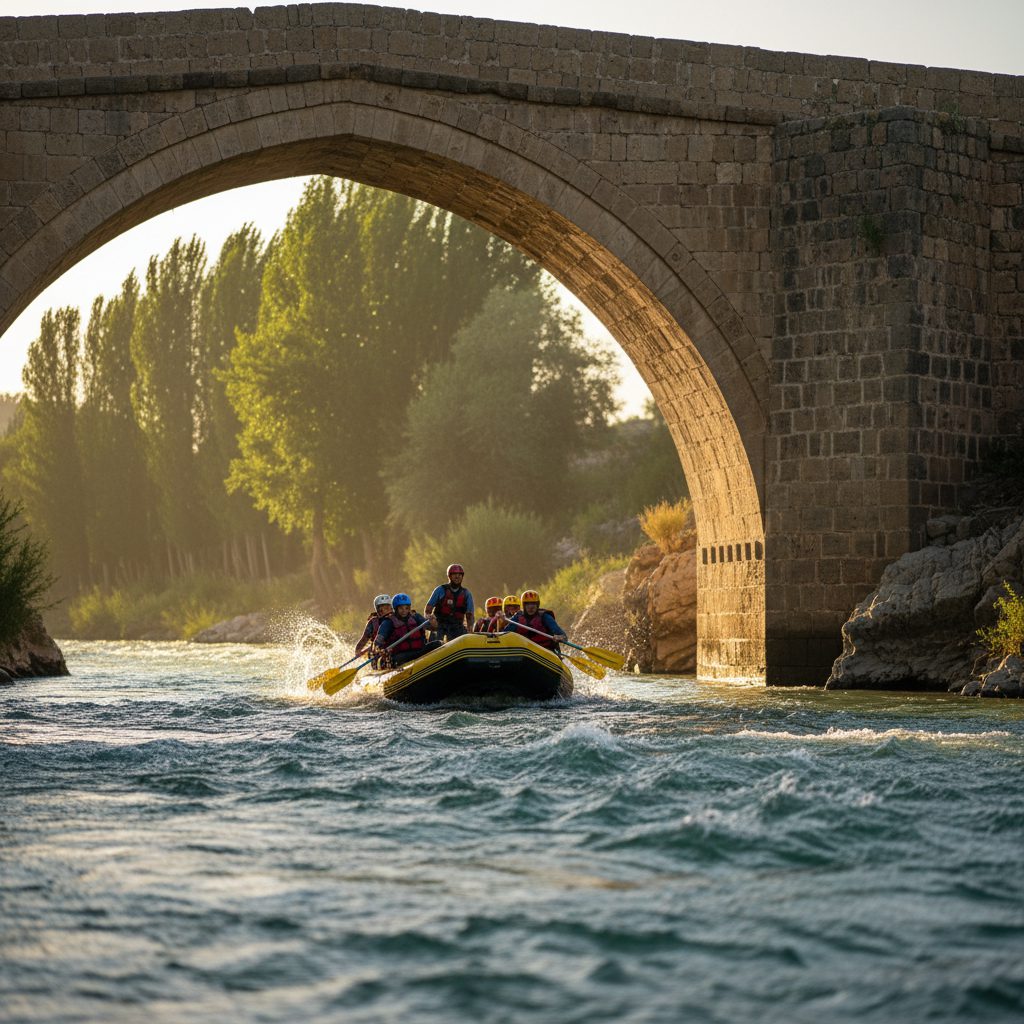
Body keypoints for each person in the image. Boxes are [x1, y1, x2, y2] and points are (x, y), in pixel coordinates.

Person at [374, 593, 439, 668]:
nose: (404, 611)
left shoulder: (416, 617)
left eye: (407, 608)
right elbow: (378, 642)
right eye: (401, 608)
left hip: (419, 650)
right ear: (395, 609)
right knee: (398, 660)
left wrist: (433, 622)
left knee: (437, 644)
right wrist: (380, 650)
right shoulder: (388, 622)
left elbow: (434, 628)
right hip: (402, 655)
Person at [424, 563, 475, 642]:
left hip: (457, 626)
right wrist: (429, 617)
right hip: (439, 625)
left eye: (459, 574)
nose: (457, 577)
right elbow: (428, 609)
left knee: (464, 638)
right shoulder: (440, 590)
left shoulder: (466, 594)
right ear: (449, 576)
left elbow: (469, 614)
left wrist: (470, 627)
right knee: (434, 642)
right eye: (454, 574)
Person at [502, 589, 567, 651]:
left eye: (533, 604)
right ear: (524, 605)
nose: (531, 607)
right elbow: (505, 634)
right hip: (525, 651)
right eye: (528, 604)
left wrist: (560, 637)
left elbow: (563, 636)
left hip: (545, 649)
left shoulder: (545, 616)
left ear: (537, 605)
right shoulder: (517, 617)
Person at [355, 594, 392, 662]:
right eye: (386, 608)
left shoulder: (396, 618)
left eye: (390, 607)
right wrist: (358, 651)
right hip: (378, 653)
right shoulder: (372, 623)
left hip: (393, 649)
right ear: (378, 610)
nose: (389, 610)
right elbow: (364, 639)